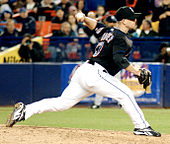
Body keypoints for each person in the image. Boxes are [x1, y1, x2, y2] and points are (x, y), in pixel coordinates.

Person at [6, 6, 161, 137]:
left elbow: (95, 25)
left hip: (85, 71)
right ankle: (142, 126)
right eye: (132, 18)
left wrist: (84, 17)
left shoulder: (109, 31)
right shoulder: (122, 37)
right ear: (124, 20)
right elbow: (119, 59)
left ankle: (25, 110)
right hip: (96, 73)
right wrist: (138, 72)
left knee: (62, 103)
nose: (135, 21)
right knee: (125, 93)